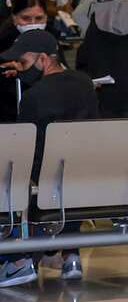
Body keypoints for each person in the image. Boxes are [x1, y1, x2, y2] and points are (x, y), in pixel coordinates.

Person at [0, 30, 98, 287]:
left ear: (43, 59)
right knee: (68, 173)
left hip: (44, 189)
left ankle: (19, 261)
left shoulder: (33, 97)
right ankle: (70, 257)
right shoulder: (86, 83)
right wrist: (25, 74)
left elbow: (23, 149)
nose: (20, 68)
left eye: (22, 62)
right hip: (85, 184)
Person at [0, 0, 50, 124]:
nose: (33, 23)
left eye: (39, 18)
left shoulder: (51, 41)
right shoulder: (4, 44)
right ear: (14, 18)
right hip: (10, 117)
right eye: (26, 18)